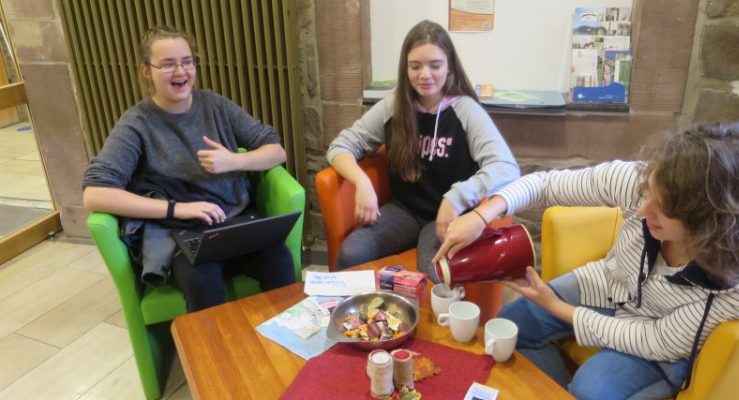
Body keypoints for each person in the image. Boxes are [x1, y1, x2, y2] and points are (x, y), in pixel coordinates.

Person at [434, 122, 739, 399]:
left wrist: (554, 305)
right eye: (648, 193)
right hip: (613, 284)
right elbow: (545, 184)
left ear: (706, 224)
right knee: (511, 324)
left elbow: (655, 341)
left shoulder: (733, 285)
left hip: (658, 342)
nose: (642, 209)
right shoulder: (641, 182)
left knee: (590, 390)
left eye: (662, 208)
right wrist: (481, 215)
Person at [82, 26, 295, 312]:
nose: (180, 72)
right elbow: (95, 194)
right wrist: (177, 209)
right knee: (201, 281)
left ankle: (283, 339)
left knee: (279, 259)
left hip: (235, 222)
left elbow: (276, 151)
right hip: (183, 233)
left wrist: (234, 161)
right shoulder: (137, 123)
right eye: (168, 64)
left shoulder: (215, 105)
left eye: (187, 61)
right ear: (146, 71)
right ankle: (211, 343)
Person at [326, 20, 519, 280]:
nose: (424, 75)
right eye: (415, 66)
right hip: (403, 211)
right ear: (405, 68)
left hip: (448, 216)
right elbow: (340, 146)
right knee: (352, 254)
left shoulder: (466, 111)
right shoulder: (393, 106)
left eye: (435, 65)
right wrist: (362, 182)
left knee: (433, 272)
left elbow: (506, 167)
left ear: (449, 66)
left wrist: (456, 197)